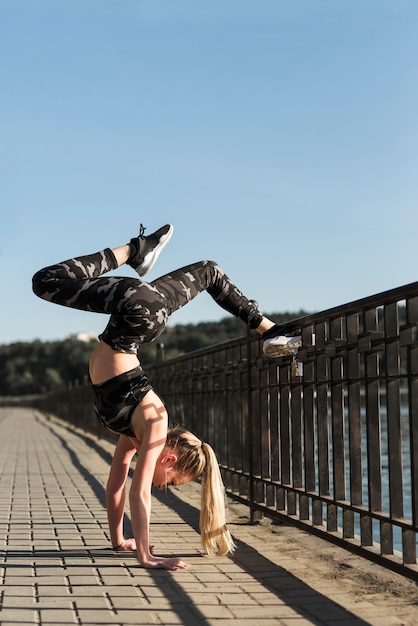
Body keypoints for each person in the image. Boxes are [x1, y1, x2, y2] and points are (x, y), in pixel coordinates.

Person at [32, 223, 301, 570]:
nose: (165, 487)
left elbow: (116, 486)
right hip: (136, 314)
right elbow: (138, 492)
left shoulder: (136, 435)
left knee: (209, 271)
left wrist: (119, 541)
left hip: (143, 314)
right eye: (172, 483)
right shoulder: (155, 430)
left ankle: (271, 331)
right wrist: (147, 556)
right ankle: (135, 251)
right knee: (45, 281)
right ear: (170, 459)